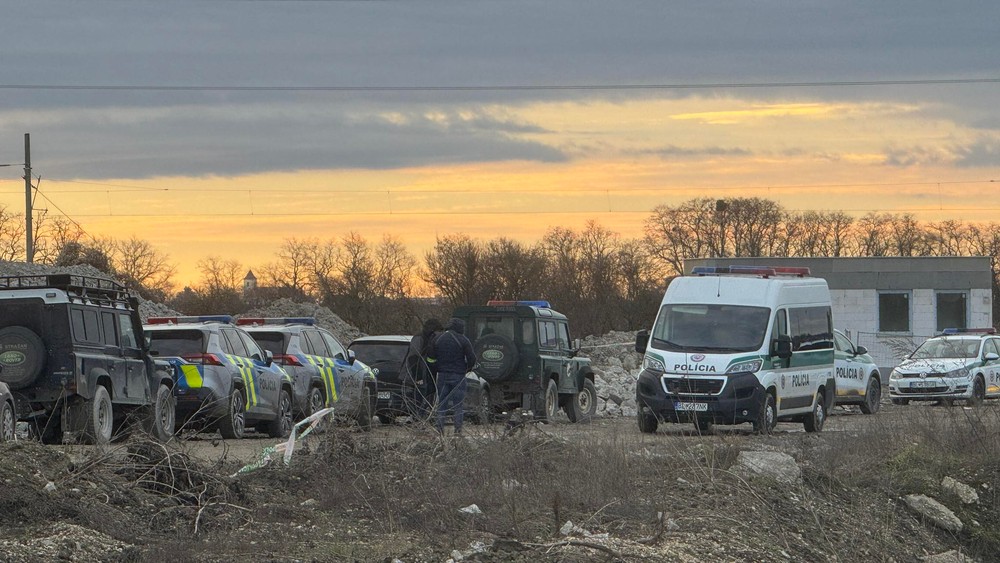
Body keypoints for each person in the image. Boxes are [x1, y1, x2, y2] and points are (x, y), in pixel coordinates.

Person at [431, 317, 476, 435]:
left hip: (442, 375)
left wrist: (436, 368)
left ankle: (439, 430)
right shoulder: (463, 340)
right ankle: (458, 431)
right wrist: (467, 369)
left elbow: (430, 357)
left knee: (442, 404)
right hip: (458, 375)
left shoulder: (438, 339)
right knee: (458, 405)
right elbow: (472, 359)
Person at [410, 318, 443, 418]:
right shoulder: (419, 338)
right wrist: (418, 377)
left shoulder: (429, 339)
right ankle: (418, 418)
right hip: (417, 374)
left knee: (427, 395)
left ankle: (423, 417)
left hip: (427, 375)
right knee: (419, 398)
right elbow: (413, 358)